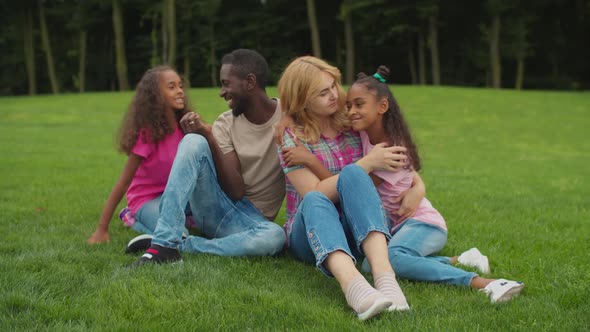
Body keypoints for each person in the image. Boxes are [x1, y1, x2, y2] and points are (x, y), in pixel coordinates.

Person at [288, 65, 525, 304]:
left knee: (392, 258)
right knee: (372, 261)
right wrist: (284, 116)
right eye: (348, 104)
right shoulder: (362, 130)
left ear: (382, 107)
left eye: (335, 89)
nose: (346, 107)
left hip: (416, 220)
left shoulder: (390, 149)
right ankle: (461, 259)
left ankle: (483, 283)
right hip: (390, 223)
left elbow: (354, 184)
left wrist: (311, 160)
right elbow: (352, 180)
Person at [276, 56, 414, 321]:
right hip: (311, 230)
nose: (334, 95)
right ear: (303, 99)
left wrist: (418, 186)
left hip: (356, 225)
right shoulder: (291, 137)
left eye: (334, 86)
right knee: (318, 197)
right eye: (322, 92)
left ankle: (385, 279)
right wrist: (365, 164)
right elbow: (314, 191)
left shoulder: (351, 120)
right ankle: (354, 287)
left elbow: (400, 158)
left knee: (352, 172)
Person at [131, 49, 286, 266]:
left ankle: (182, 244)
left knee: (275, 237)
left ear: (250, 82)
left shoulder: (290, 116)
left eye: (226, 83)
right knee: (194, 141)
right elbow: (235, 191)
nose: (222, 92)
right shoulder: (225, 123)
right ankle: (165, 244)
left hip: (252, 223)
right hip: (220, 209)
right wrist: (209, 137)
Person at [88, 65, 192, 245]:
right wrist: (101, 228)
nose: (180, 91)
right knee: (179, 236)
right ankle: (133, 220)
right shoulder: (147, 135)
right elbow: (123, 183)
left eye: (180, 86)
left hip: (177, 196)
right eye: (171, 87)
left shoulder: (185, 126)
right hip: (147, 200)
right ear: (156, 95)